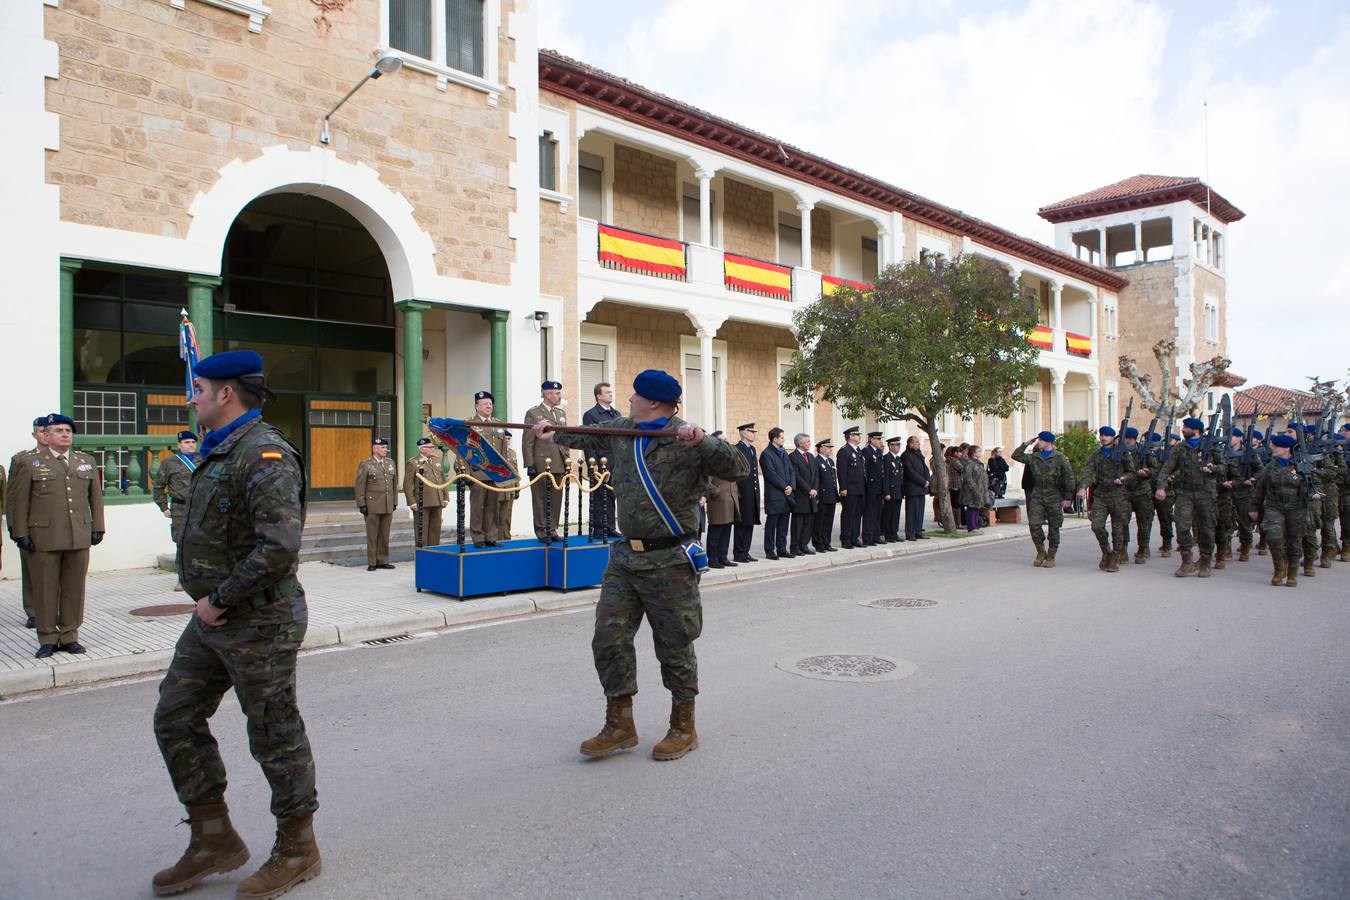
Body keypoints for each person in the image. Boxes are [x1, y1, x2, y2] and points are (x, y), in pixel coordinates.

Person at [150, 350, 320, 899]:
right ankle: (213, 837)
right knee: (174, 718)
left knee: (272, 731)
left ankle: (298, 847)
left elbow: (279, 547)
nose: (191, 396)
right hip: (216, 616)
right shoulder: (217, 450)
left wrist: (219, 599)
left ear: (226, 393)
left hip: (259, 617)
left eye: (198, 388)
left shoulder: (263, 453)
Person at [538, 369, 748, 762]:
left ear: (653, 402)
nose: (628, 400)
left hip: (669, 559)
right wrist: (554, 432)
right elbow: (591, 436)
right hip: (625, 558)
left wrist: (703, 442)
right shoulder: (624, 427)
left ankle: (683, 726)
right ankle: (620, 724)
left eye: (635, 396)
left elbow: (738, 467)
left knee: (675, 645)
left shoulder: (687, 437)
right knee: (609, 639)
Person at [9, 412, 105, 657]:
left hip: (78, 534)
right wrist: (21, 533)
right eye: (59, 431)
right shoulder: (30, 462)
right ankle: (48, 638)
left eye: (68, 431)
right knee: (45, 589)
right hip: (44, 537)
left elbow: (95, 497)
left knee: (75, 589)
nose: (65, 435)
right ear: (46, 435)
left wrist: (97, 527)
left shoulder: (85, 461)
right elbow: (19, 501)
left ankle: (70, 635)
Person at [1156, 417, 1223, 577]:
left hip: (1205, 493)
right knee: (1182, 526)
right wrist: (1161, 486)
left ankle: (1205, 562)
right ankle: (1187, 562)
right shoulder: (1180, 448)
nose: (1183, 429)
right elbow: (1167, 468)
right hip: (1185, 493)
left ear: (1196, 430)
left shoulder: (1211, 447)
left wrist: (1213, 468)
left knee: (1206, 528)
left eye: (1186, 427)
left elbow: (1225, 467)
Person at [1251, 433, 1313, 587]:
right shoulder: (1271, 466)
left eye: (1275, 445)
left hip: (1296, 508)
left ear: (1286, 449)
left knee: (1294, 540)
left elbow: (1313, 483)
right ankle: (1279, 569)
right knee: (1274, 538)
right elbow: (1260, 488)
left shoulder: (1301, 464)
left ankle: (1292, 573)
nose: (1272, 447)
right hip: (1274, 507)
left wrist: (1315, 494)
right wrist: (1254, 508)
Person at [1012, 432, 1076, 568]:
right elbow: (1016, 456)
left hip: (1054, 495)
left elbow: (1069, 478)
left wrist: (1068, 498)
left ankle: (1051, 555)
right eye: (1038, 439)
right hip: (1037, 495)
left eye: (1041, 440)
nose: (1038, 442)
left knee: (1054, 526)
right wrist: (1025, 444)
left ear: (1048, 442)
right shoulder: (1035, 457)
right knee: (1034, 524)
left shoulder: (1060, 458)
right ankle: (1041, 552)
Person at [9, 416, 49, 629]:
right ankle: (33, 611)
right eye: (40, 431)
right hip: (31, 524)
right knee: (31, 570)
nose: (44, 434)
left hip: (55, 525)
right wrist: (15, 526)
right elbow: (13, 495)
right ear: (35, 434)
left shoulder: (66, 459)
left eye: (47, 430)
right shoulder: (22, 460)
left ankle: (56, 611)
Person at [1078, 426, 1136, 572]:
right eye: (1102, 435)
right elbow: (1088, 471)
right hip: (1101, 495)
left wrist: (1122, 479)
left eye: (1107, 436)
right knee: (1096, 525)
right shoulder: (1096, 454)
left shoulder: (1122, 453)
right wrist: (1083, 487)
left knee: (1118, 528)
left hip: (1118, 496)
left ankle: (1115, 557)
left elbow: (1131, 472)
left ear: (1112, 437)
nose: (1103, 438)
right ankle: (1106, 551)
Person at [153, 430, 199, 591]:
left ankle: (201, 576)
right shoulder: (170, 463)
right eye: (187, 442)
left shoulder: (204, 459)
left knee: (203, 541)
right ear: (179, 445)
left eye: (193, 442)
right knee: (182, 543)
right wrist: (163, 506)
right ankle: (182, 578)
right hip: (180, 507)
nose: (190, 445)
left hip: (201, 507)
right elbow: (158, 485)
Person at [523, 381, 568, 542]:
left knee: (556, 497)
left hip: (559, 461)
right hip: (541, 462)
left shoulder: (560, 413)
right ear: (547, 394)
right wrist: (530, 464)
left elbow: (564, 437)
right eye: (557, 393)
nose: (559, 396)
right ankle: (542, 530)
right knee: (541, 498)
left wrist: (567, 458)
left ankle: (552, 529)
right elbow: (528, 440)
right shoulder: (534, 413)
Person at [464, 390, 505, 548]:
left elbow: (503, 452)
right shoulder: (469, 424)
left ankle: (491, 535)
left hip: (495, 473)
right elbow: (463, 451)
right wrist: (467, 474)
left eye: (490, 403)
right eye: (485, 403)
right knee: (478, 507)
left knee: (492, 506)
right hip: (478, 473)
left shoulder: (498, 424)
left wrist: (504, 472)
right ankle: (478, 537)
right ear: (476, 406)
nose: (489, 406)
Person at [583, 382, 621, 538]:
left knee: (612, 495)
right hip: (601, 461)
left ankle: (610, 527)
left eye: (611, 392)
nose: (611, 394)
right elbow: (588, 440)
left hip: (615, 460)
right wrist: (593, 462)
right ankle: (599, 528)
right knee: (599, 495)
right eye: (607, 392)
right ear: (598, 396)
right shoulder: (591, 414)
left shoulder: (616, 414)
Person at [354, 437, 398, 571]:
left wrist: (394, 501)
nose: (386, 450)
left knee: (385, 534)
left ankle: (383, 560)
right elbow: (359, 486)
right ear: (375, 448)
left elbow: (394, 485)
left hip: (387, 504)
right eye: (383, 448)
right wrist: (361, 503)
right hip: (372, 504)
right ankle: (372, 562)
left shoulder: (390, 463)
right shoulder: (366, 464)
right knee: (373, 534)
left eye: (386, 447)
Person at [1119, 428, 1156, 564]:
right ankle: (1122, 550)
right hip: (1124, 491)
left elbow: (1155, 469)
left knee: (1144, 522)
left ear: (1130, 439)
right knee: (1122, 521)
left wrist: (1147, 472)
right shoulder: (1119, 451)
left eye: (1125, 438)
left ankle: (1143, 549)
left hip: (1142, 491)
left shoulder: (1144, 452)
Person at [759, 427, 796, 560]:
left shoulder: (784, 452)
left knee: (784, 524)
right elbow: (770, 474)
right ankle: (770, 550)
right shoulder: (766, 454)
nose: (784, 439)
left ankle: (782, 549)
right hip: (775, 495)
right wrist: (785, 486)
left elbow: (791, 471)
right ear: (774, 439)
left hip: (787, 494)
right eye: (781, 437)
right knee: (772, 524)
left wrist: (791, 486)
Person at [404, 437, 447, 548]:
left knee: (435, 530)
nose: (433, 449)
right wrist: (412, 502)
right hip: (422, 502)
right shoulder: (413, 463)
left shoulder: (437, 460)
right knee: (421, 532)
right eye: (430, 447)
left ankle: (434, 553)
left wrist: (446, 497)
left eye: (433, 447)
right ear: (422, 449)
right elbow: (407, 485)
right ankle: (422, 554)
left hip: (438, 500)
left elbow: (442, 480)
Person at [731, 423, 760, 563]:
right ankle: (738, 553)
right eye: (751, 431)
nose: (754, 434)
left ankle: (745, 551)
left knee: (750, 522)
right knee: (741, 523)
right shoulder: (737, 449)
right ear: (743, 433)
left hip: (752, 491)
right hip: (743, 492)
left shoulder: (752, 449)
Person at [788, 433, 818, 555]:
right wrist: (808, 490)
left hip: (812, 495)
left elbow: (816, 474)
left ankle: (804, 544)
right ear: (800, 443)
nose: (809, 444)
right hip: (801, 495)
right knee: (798, 523)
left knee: (808, 522)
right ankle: (795, 547)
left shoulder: (810, 456)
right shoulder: (793, 457)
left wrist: (815, 489)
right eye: (807, 442)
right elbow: (796, 476)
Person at [705, 466, 740, 568]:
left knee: (726, 530)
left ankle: (723, 557)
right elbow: (705, 481)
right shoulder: (713, 463)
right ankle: (712, 559)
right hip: (718, 502)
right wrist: (716, 491)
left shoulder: (728, 462)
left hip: (730, 501)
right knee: (715, 531)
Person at [837, 427, 866, 548]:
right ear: (850, 437)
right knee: (848, 515)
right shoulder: (844, 451)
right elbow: (841, 471)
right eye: (857, 435)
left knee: (857, 515)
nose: (859, 437)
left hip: (860, 488)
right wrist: (843, 487)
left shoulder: (858, 450)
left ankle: (854, 538)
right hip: (849, 489)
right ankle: (846, 539)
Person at [900, 435, 931, 540]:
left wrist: (928, 479)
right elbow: (909, 471)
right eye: (916, 442)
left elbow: (925, 468)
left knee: (920, 512)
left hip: (921, 488)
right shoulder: (906, 455)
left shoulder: (919, 454)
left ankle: (918, 531)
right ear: (910, 444)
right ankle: (910, 533)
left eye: (918, 442)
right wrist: (923, 481)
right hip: (912, 488)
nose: (919, 444)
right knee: (912, 512)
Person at [1155, 432, 1180, 557]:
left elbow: (1180, 469)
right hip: (1153, 489)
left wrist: (1173, 477)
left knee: (1165, 518)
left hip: (1169, 491)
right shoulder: (1158, 454)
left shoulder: (1176, 454)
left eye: (1171, 440)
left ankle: (1167, 543)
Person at [812, 438, 839, 551]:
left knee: (828, 521)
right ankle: (818, 544)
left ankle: (827, 542)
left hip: (831, 496)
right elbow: (815, 479)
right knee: (819, 522)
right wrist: (817, 496)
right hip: (822, 497)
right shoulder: (816, 461)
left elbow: (833, 479)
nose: (830, 450)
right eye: (828, 447)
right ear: (821, 448)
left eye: (830, 448)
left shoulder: (830, 462)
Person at [961, 445, 993, 533]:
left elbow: (983, 476)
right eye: (978, 451)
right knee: (972, 507)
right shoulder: (969, 463)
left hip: (980, 489)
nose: (980, 453)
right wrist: (975, 489)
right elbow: (968, 478)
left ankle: (976, 526)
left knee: (977, 507)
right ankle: (971, 527)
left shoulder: (978, 463)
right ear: (973, 452)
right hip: (972, 491)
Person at [861, 431, 885, 545]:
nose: (879, 441)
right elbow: (865, 470)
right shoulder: (866, 451)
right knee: (869, 513)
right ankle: (867, 537)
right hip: (871, 486)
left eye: (880, 439)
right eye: (877, 439)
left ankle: (876, 535)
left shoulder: (879, 452)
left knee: (877, 513)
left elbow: (881, 471)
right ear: (871, 439)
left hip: (879, 486)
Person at [498, 432, 521, 542]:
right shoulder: (496, 452)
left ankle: (506, 537)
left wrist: (517, 488)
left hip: (510, 489)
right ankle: (498, 538)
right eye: (506, 438)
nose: (507, 441)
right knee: (498, 516)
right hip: (498, 489)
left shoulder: (512, 453)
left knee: (507, 516)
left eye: (509, 439)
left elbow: (516, 472)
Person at [882, 437, 905, 541]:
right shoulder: (887, 458)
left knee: (896, 514)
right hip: (890, 491)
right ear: (890, 446)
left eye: (899, 445)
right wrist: (886, 492)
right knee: (888, 514)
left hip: (898, 491)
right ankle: (888, 534)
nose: (898, 447)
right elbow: (886, 476)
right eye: (896, 445)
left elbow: (900, 476)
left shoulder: (898, 459)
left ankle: (894, 533)